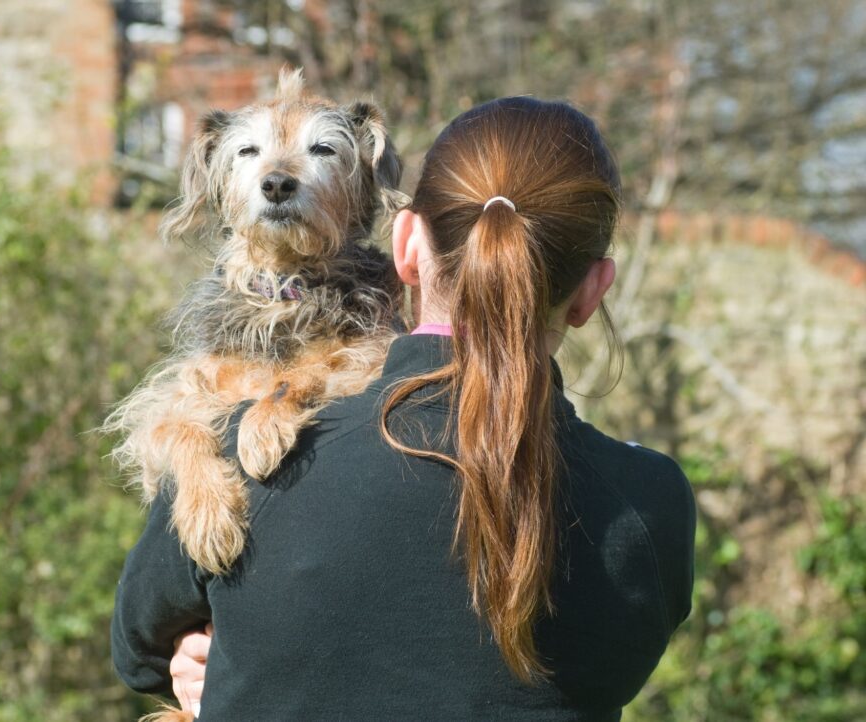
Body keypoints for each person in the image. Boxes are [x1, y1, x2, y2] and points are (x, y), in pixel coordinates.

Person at [111, 96, 696, 721]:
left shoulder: (244, 453)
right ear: (592, 291)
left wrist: (222, 662)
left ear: (407, 247)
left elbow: (139, 651)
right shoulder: (648, 504)